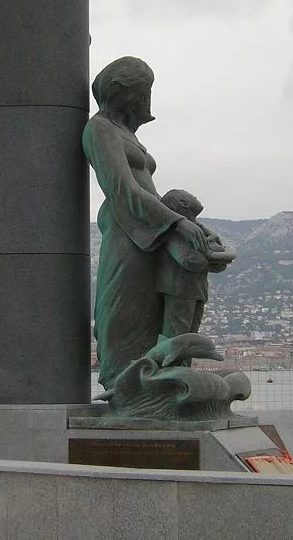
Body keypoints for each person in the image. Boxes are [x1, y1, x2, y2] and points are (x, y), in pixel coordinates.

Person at [83, 56, 210, 389]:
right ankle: (122, 388)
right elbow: (121, 188)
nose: (146, 100)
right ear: (122, 91)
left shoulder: (126, 133)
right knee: (122, 311)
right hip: (128, 232)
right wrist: (176, 223)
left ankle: (156, 382)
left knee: (151, 310)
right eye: (142, 91)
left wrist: (177, 222)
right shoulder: (100, 128)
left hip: (152, 232)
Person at [156, 189, 233, 342]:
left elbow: (220, 264)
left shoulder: (200, 230)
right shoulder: (174, 231)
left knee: (190, 338)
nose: (195, 196)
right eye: (190, 194)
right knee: (176, 337)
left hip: (197, 290)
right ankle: (169, 365)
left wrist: (212, 253)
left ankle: (182, 365)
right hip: (178, 291)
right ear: (184, 203)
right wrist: (212, 255)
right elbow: (190, 260)